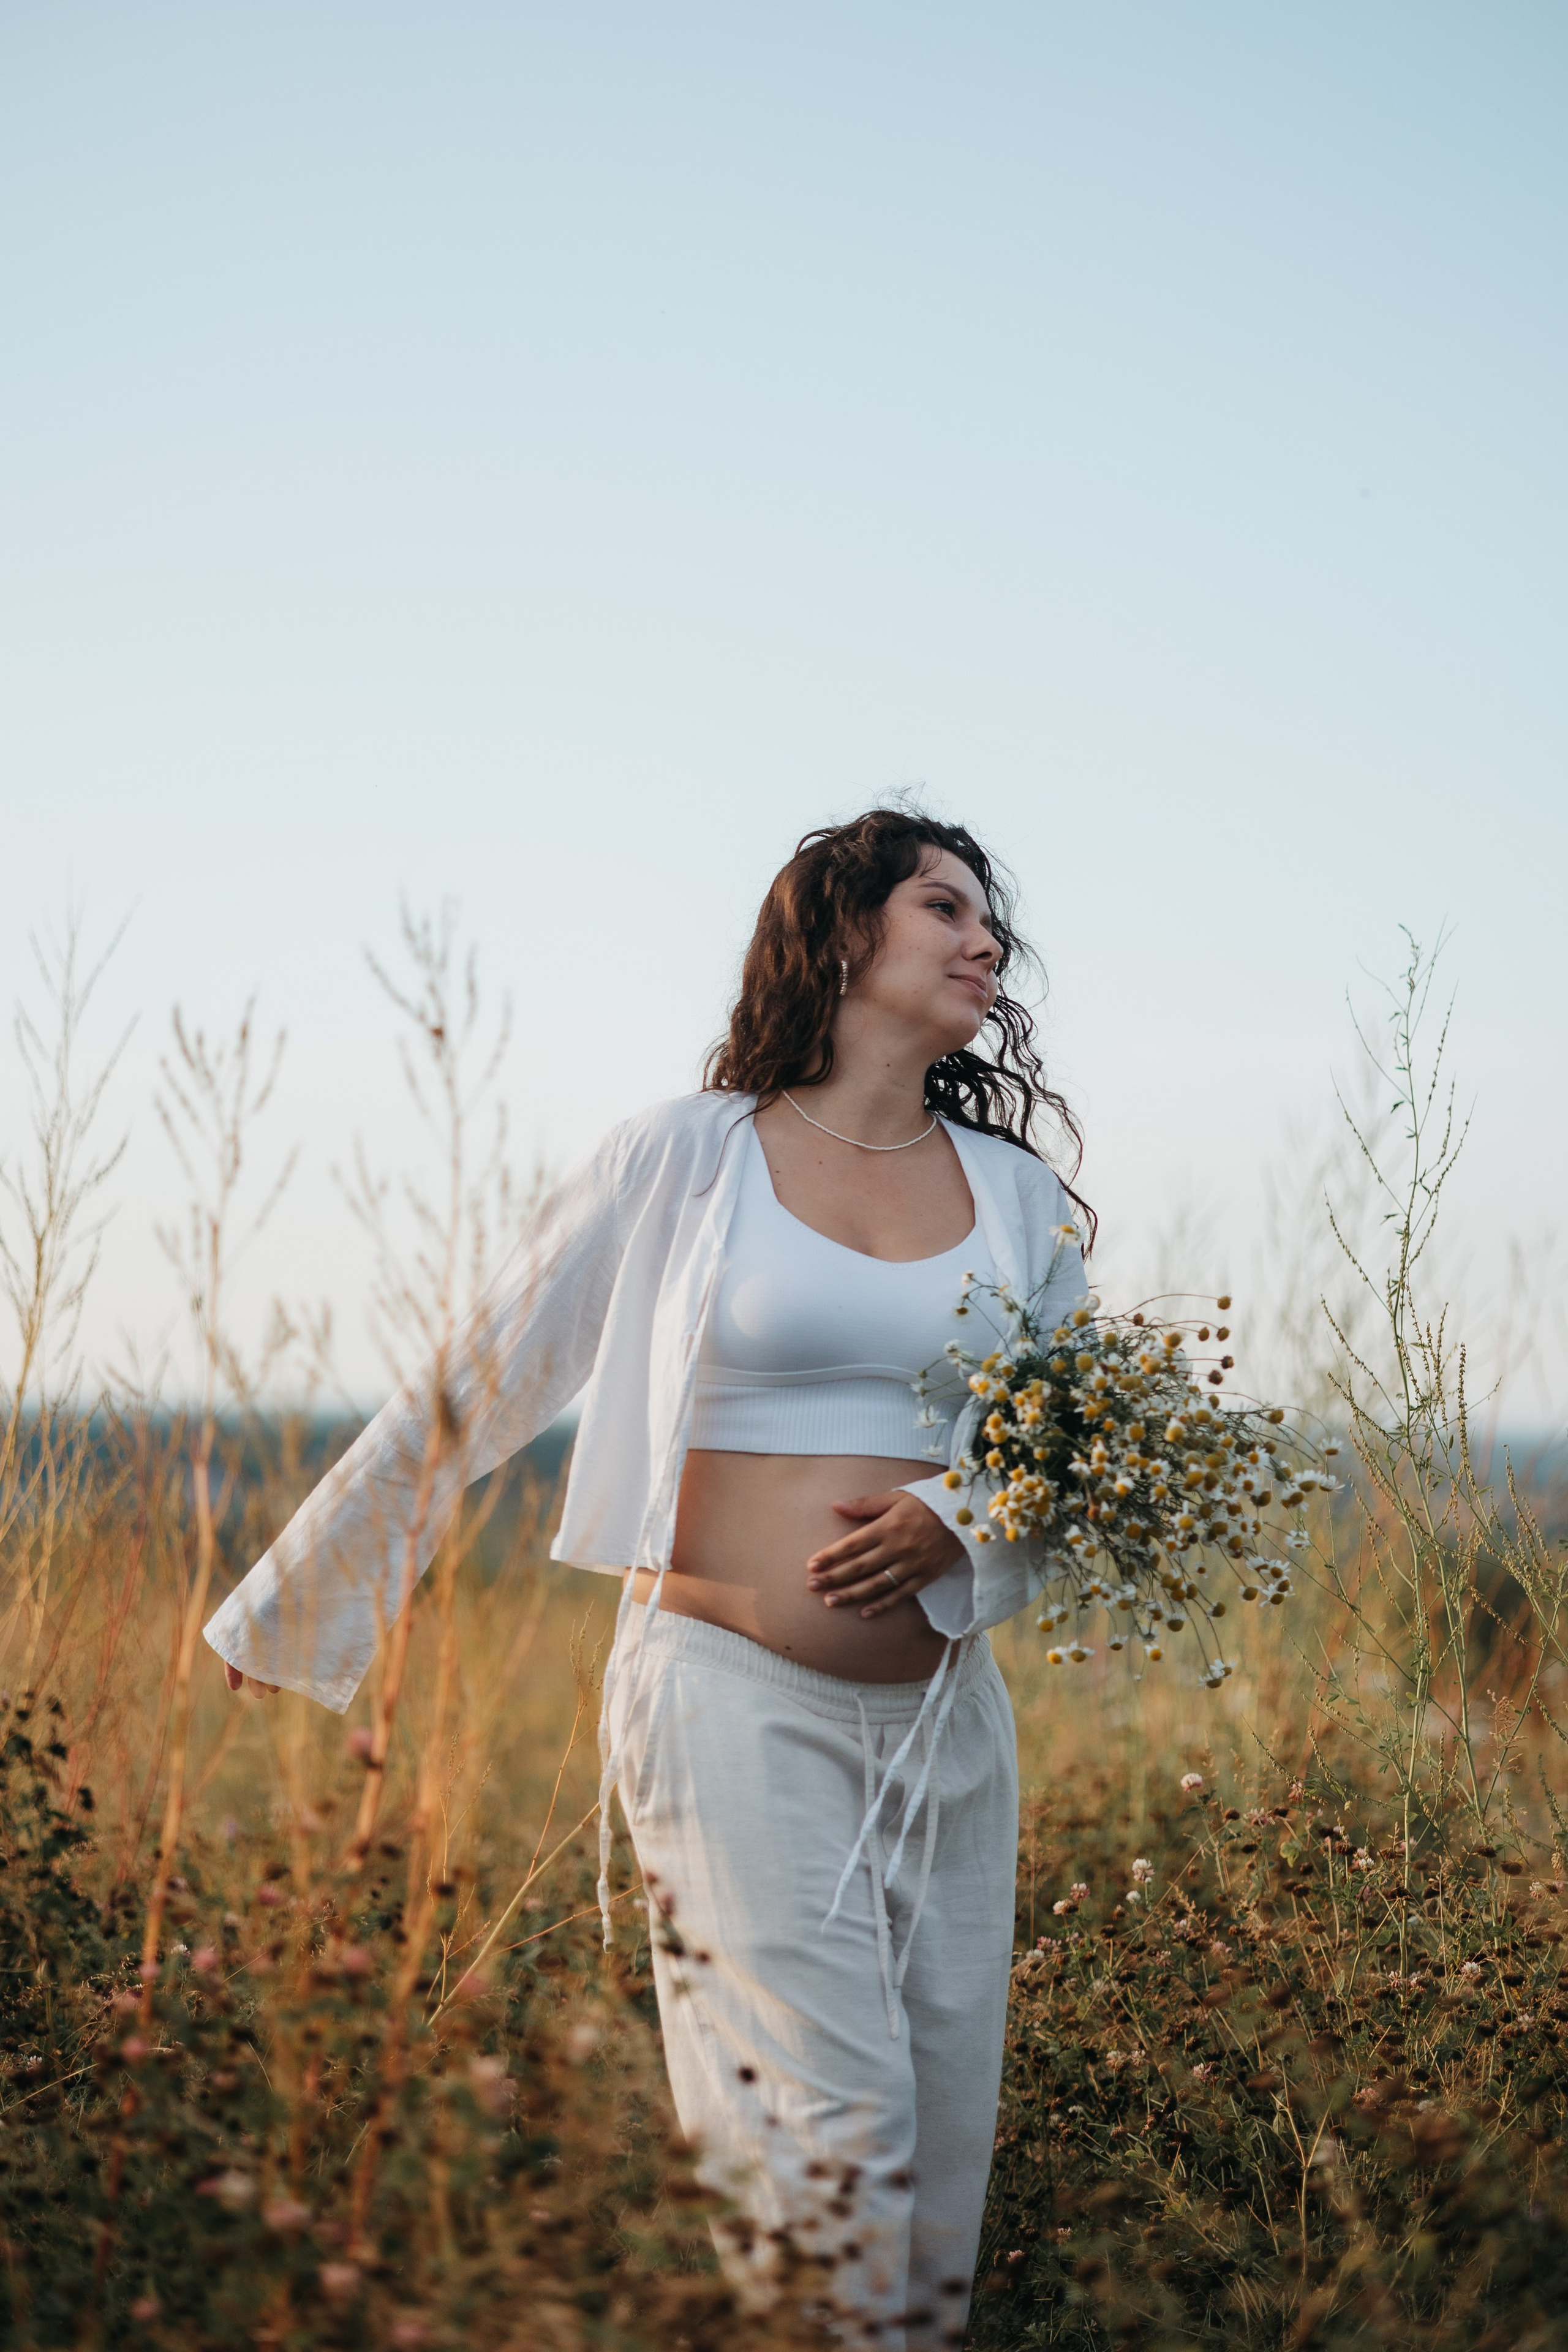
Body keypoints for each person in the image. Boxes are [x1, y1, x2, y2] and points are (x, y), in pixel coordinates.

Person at [205, 808, 1089, 2350]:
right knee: (824, 2147)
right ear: (842, 933)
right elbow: (483, 1374)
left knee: (936, 2162)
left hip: (948, 1727)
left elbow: (1080, 1440)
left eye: (986, 918)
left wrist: (960, 1515)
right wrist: (298, 1594)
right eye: (941, 908)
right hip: (730, 1706)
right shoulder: (689, 1155)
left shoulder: (1011, 1195)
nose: (983, 940)